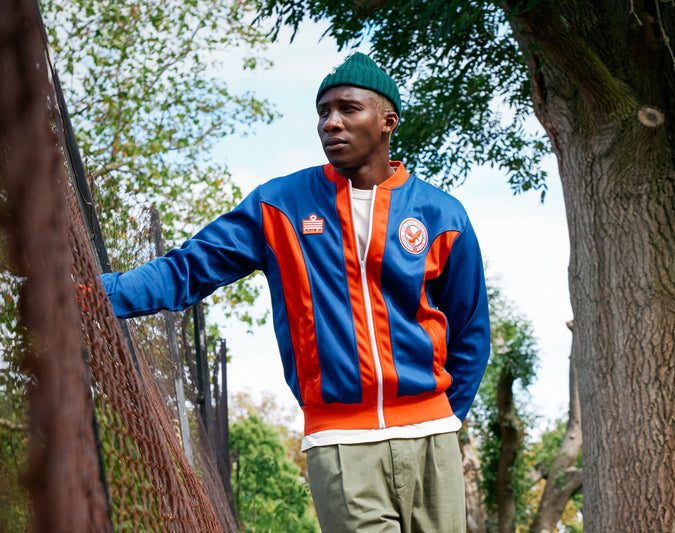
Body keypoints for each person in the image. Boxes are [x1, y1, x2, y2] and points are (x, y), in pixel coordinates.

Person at [101, 52, 490, 533]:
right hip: (341, 441)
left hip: (432, 437)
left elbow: (470, 330)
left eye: (348, 109)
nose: (332, 123)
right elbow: (188, 268)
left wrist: (444, 417)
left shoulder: (441, 213)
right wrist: (101, 295)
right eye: (323, 112)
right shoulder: (280, 205)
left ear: (388, 121)